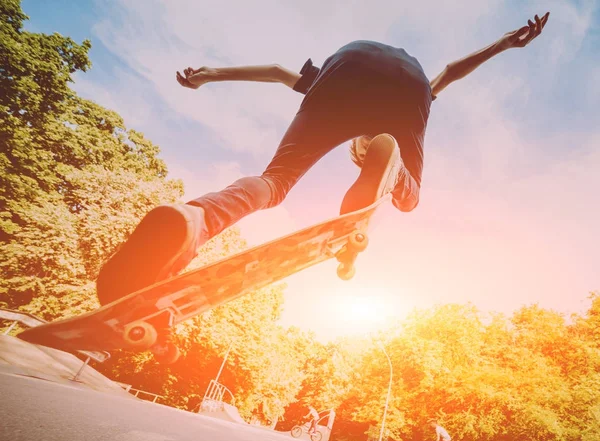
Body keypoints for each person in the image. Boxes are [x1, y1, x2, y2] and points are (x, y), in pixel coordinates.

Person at [96, 13, 550, 305]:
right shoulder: (410, 109)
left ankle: (197, 218)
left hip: (348, 61)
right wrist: (503, 44)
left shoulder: (328, 93)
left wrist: (210, 75)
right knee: (407, 197)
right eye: (363, 155)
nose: (355, 152)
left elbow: (277, 73)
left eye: (360, 154)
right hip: (410, 81)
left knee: (275, 182)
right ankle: (392, 169)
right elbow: (449, 72)